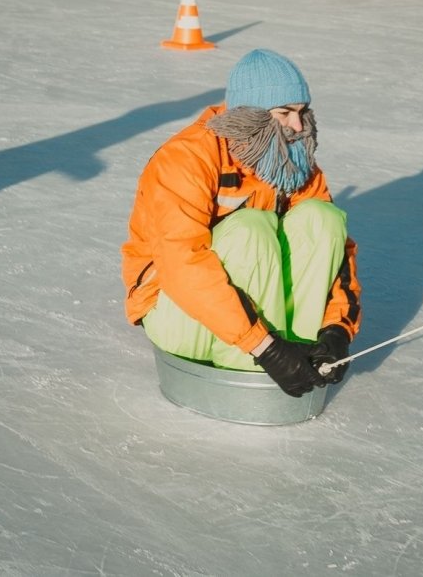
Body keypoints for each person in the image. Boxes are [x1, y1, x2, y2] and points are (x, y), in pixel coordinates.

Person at [121, 49, 361, 397]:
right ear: (251, 115)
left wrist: (337, 329)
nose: (297, 126)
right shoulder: (186, 159)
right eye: (285, 113)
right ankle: (250, 365)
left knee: (321, 220)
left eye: (302, 111)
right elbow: (181, 263)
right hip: (178, 313)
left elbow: (337, 254)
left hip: (260, 329)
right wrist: (264, 347)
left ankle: (303, 356)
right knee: (250, 229)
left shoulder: (292, 160)